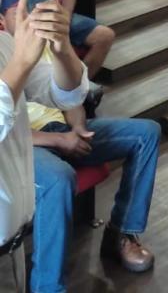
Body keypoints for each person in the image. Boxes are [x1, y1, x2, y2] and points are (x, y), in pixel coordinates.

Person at [26, 79, 158, 288]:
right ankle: (46, 287)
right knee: (59, 178)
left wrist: (78, 128)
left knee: (147, 133)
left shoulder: (41, 47)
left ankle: (121, 232)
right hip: (24, 143)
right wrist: (58, 140)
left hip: (63, 129)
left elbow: (70, 97)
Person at [0, 0, 88, 293]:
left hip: (11, 244)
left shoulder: (3, 43)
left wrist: (63, 49)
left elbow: (63, 94)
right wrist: (22, 61)